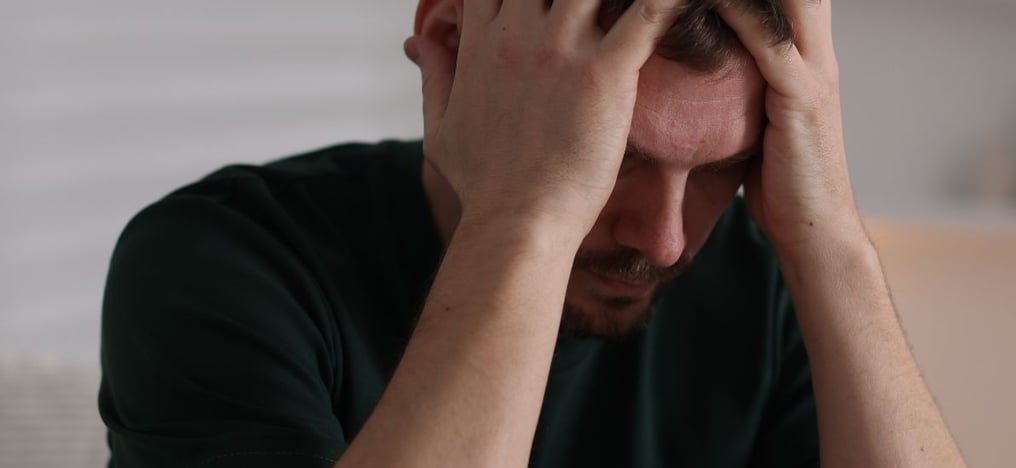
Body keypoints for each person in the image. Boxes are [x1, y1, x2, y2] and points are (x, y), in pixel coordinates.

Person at [98, 0, 967, 466]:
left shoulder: (769, 291)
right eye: (611, 157)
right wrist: (527, 216)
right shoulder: (214, 263)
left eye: (714, 172)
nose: (663, 242)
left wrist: (834, 244)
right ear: (450, 42)